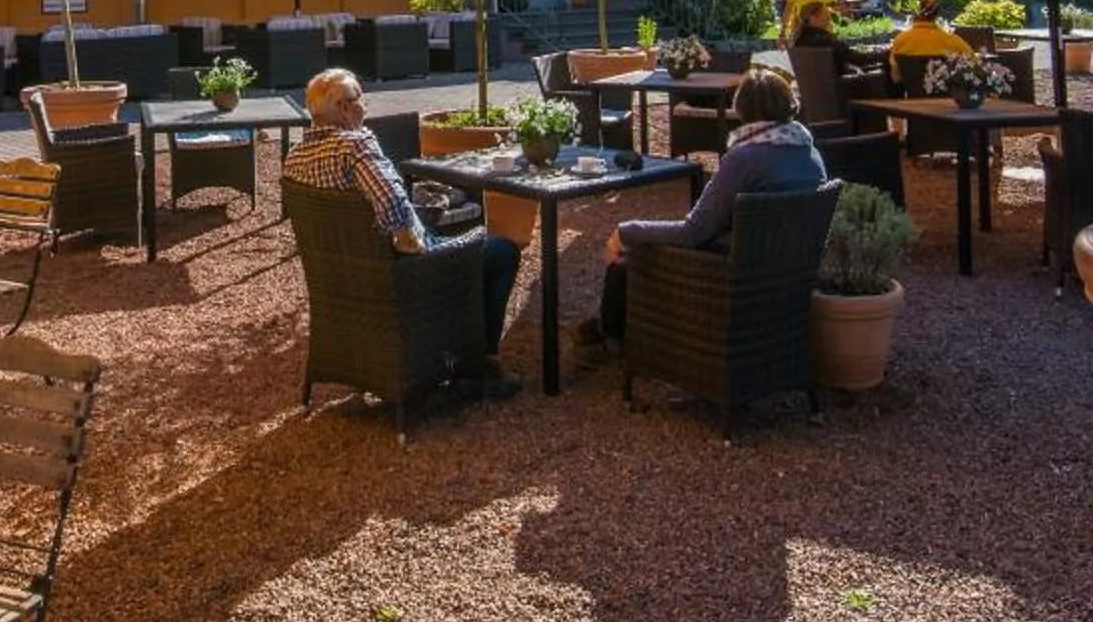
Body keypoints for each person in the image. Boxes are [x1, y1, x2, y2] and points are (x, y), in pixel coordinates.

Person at [282, 69, 523, 396]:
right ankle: (478, 364)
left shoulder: (294, 158)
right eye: (360, 99)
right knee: (501, 251)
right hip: (400, 274)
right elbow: (397, 217)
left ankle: (453, 343)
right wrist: (426, 251)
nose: (365, 107)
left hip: (341, 278)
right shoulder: (356, 149)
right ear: (344, 109)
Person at [579, 67, 827, 350]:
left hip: (732, 280)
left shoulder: (745, 158)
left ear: (741, 109)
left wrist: (627, 230)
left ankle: (608, 338)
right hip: (787, 279)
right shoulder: (811, 154)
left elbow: (693, 232)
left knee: (629, 256)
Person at [888, 0, 972, 59]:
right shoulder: (953, 41)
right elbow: (975, 64)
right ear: (936, 14)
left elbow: (896, 77)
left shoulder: (900, 41)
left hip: (911, 81)